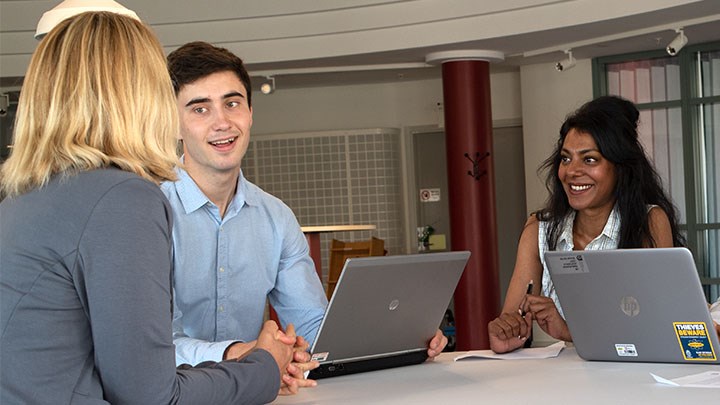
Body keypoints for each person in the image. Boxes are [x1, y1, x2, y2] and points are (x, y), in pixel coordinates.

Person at [0, 12, 296, 404]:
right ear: (139, 93)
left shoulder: (23, 197)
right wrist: (264, 367)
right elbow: (152, 396)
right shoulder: (122, 197)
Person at [163, 41, 448, 373]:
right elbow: (151, 345)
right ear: (173, 123)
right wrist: (239, 352)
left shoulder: (276, 218)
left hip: (252, 391)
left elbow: (312, 325)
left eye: (232, 103)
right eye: (200, 109)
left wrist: (398, 341)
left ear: (251, 113)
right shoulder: (147, 211)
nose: (222, 122)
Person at [487, 95, 685, 354]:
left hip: (632, 379)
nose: (572, 171)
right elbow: (512, 322)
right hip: (564, 380)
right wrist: (506, 334)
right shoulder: (539, 229)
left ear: (620, 168)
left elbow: (652, 329)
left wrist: (567, 330)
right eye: (566, 158)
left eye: (589, 159)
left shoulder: (649, 222)